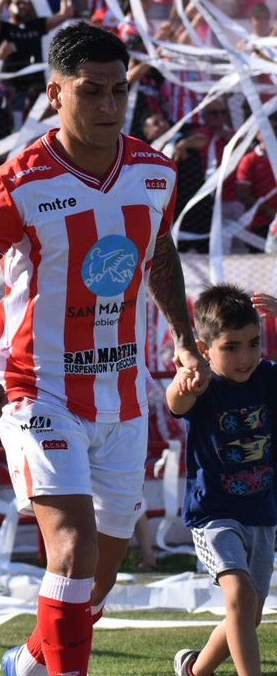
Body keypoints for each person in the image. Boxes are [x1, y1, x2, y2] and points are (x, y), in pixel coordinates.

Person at [0, 23, 209, 676]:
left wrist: (184, 338)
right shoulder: (18, 181)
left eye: (119, 91)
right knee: (72, 549)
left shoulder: (154, 172)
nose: (110, 105)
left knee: (99, 576)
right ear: (55, 93)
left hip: (121, 389)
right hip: (37, 385)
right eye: (91, 91)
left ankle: (27, 664)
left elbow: (159, 253)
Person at [168, 287, 276, 676]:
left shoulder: (267, 377)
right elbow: (176, 402)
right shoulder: (204, 384)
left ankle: (195, 670)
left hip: (262, 514)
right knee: (240, 595)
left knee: (249, 613)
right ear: (204, 349)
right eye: (231, 347)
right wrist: (183, 381)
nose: (245, 356)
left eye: (253, 343)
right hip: (214, 514)